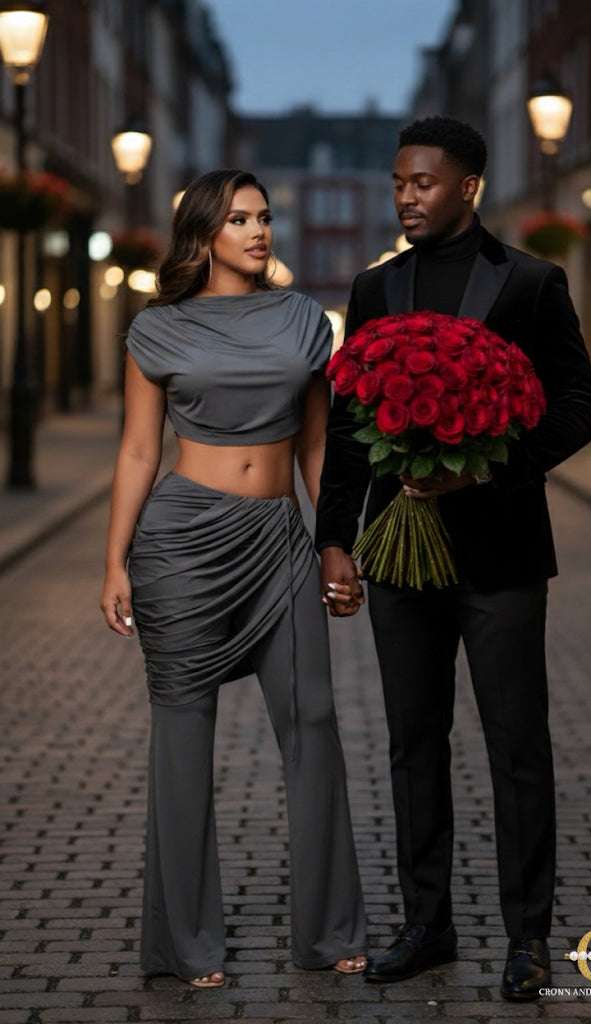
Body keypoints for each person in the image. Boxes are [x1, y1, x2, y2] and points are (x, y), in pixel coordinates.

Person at [315, 117, 591, 1000]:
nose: (407, 196)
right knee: (411, 745)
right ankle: (425, 926)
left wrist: (485, 466)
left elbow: (574, 409)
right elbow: (351, 433)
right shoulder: (373, 289)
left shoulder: (530, 282)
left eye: (424, 183)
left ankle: (529, 939)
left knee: (517, 747)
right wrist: (335, 537)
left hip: (502, 556)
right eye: (399, 182)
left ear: (467, 186)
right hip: (398, 563)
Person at [100, 168, 367, 988]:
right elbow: (140, 449)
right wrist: (113, 559)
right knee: (183, 741)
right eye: (240, 219)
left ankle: (326, 933)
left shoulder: (300, 320)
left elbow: (317, 445)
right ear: (204, 233)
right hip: (180, 545)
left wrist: (336, 543)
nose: (259, 231)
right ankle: (185, 947)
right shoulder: (157, 330)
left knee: (314, 722)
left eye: (264, 217)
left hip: (279, 540)